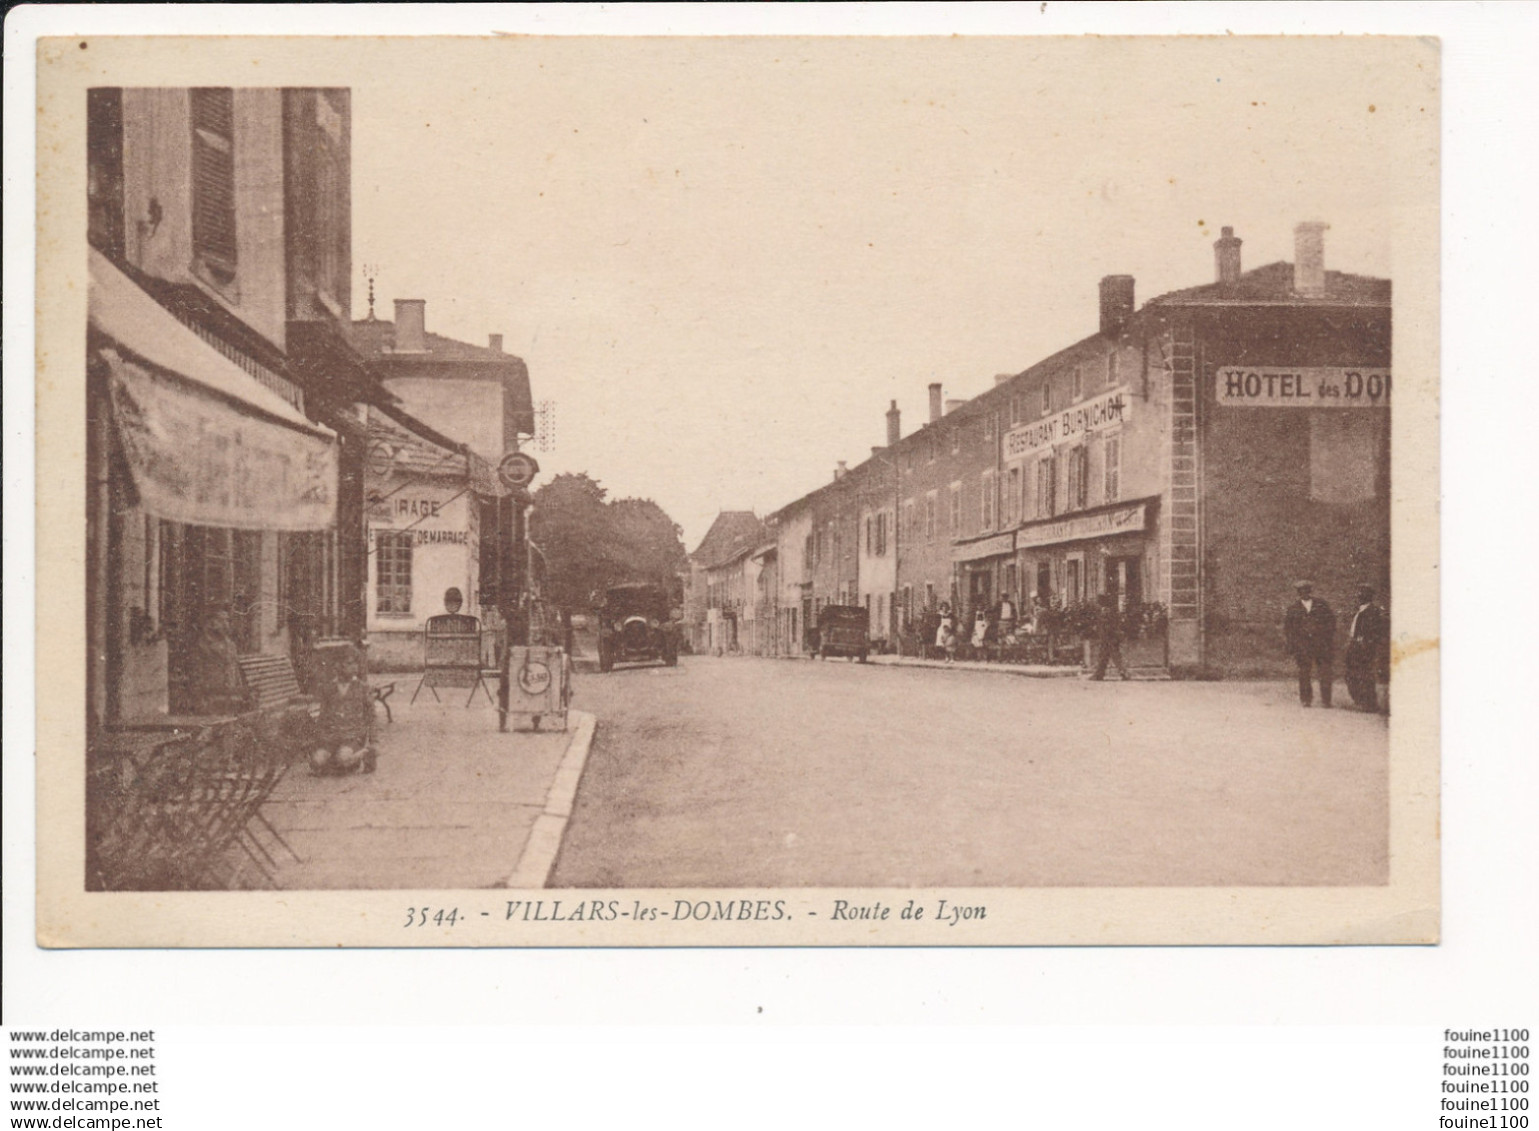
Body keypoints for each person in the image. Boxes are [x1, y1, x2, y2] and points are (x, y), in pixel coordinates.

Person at [1283, 580, 1337, 707]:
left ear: (1310, 591)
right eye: (1301, 591)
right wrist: (1294, 645)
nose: (1304, 593)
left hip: (1321, 646)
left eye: (1306, 590)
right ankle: (1306, 699)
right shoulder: (1293, 609)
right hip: (1303, 647)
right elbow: (1289, 629)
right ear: (1298, 593)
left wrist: (1326, 639)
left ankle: (1326, 700)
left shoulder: (1322, 605)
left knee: (1324, 672)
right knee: (1304, 673)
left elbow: (1331, 623)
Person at [188, 605, 247, 714]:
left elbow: (235, 668)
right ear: (211, 623)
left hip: (230, 695)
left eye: (227, 621)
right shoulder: (203, 644)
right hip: (211, 695)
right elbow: (196, 673)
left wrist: (238, 690)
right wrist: (200, 699)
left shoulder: (230, 644)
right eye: (221, 621)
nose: (226, 624)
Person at [1343, 585, 1388, 712]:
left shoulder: (1373, 612)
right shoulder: (1359, 611)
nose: (1359, 596)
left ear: (1369, 596)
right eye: (1359, 593)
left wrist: (1367, 642)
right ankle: (1360, 699)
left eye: (1363, 594)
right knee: (1352, 673)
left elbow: (1377, 631)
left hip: (1365, 648)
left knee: (1365, 674)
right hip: (1355, 646)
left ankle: (1369, 703)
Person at [1089, 593, 1130, 680]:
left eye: (1098, 602)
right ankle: (1099, 675)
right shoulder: (1109, 611)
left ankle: (1124, 674)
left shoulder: (1105, 612)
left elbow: (1107, 627)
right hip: (1109, 638)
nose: (1096, 604)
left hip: (1109, 639)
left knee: (1114, 657)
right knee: (1104, 658)